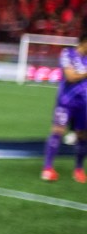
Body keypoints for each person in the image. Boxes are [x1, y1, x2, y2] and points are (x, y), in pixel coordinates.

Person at [40, 32, 87, 183]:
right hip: (66, 102)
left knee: (83, 136)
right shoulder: (68, 54)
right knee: (57, 132)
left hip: (84, 104)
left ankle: (79, 169)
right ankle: (47, 168)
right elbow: (70, 76)